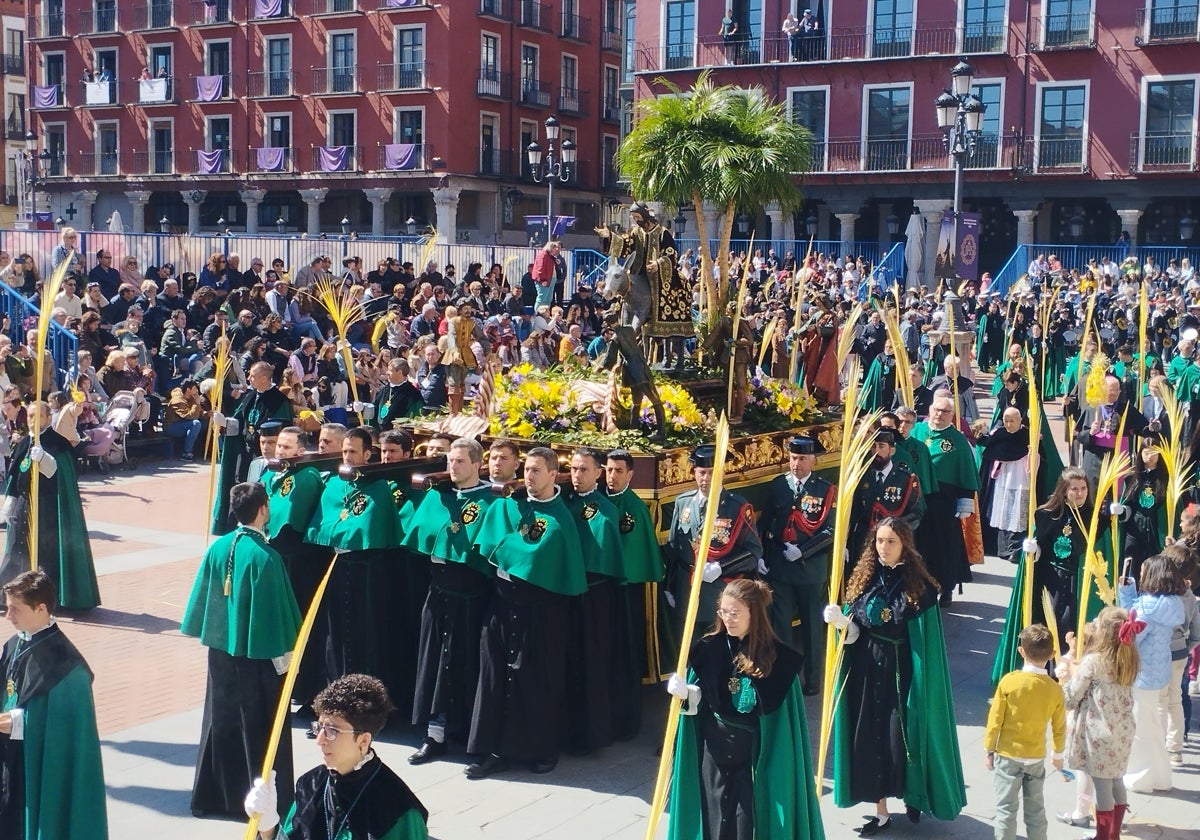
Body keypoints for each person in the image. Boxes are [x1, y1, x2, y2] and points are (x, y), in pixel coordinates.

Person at [825, 518, 965, 834]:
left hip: (903, 674)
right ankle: (881, 811)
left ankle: (913, 794)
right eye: (879, 541)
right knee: (871, 739)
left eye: (891, 542)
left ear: (904, 544)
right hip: (867, 671)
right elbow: (856, 631)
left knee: (901, 739)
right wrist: (842, 626)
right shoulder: (863, 581)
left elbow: (923, 642)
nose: (884, 548)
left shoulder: (921, 588)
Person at [664, 579, 823, 840]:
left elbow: (779, 721)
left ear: (754, 614)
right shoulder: (708, 649)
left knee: (745, 826)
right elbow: (703, 701)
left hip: (752, 759)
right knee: (714, 822)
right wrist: (686, 694)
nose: (728, 619)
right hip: (712, 756)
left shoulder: (778, 660)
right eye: (723, 612)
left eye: (735, 612)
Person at [182, 482, 301, 820]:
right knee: (259, 729)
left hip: (220, 652)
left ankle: (213, 797)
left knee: (219, 723)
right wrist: (288, 665)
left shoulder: (218, 548)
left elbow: (204, 603)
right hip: (256, 658)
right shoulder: (266, 557)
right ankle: (263, 803)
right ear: (263, 509)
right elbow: (276, 620)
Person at [466, 447, 586, 778]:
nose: (530, 477)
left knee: (538, 681)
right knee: (494, 678)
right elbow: (492, 543)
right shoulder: (510, 504)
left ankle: (542, 749)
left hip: (541, 612)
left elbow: (560, 566)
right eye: (527, 470)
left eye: (536, 471)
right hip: (502, 604)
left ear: (552, 474)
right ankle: (492, 750)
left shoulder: (560, 518)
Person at [400, 438, 495, 766]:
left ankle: (471, 735)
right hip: (437, 594)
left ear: (476, 465)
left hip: (470, 598)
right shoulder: (438, 495)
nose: (452, 467)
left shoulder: (488, 501)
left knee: (469, 666)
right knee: (433, 666)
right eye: (450, 461)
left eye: (459, 462)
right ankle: (435, 734)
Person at [244, 674, 429, 840]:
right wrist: (269, 830)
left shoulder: (398, 810)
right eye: (319, 727)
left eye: (333, 731)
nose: (320, 740)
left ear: (363, 740)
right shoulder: (310, 785)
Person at [0, 570, 107, 839]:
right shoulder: (14, 644)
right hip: (9, 758)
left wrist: (17, 722)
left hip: (39, 766)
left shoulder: (68, 666)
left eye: (15, 609)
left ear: (41, 608)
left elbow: (64, 728)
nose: (7, 616)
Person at [0, 400, 100, 610]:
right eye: (30, 416)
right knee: (16, 552)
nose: (32, 420)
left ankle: (47, 599)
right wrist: (9, 503)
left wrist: (44, 458)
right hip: (23, 506)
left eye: (38, 416)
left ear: (47, 418)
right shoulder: (24, 443)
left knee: (47, 555)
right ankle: (8, 596)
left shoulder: (58, 443)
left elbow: (61, 472)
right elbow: (14, 475)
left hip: (48, 509)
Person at [563, 447, 628, 753]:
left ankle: (590, 735)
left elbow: (603, 554)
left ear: (598, 473)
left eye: (584, 470)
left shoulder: (603, 510)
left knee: (591, 662)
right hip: (564, 594)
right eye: (573, 469)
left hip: (593, 596)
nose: (577, 475)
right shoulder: (563, 499)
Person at [759, 436, 835, 695]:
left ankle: (813, 678)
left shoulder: (824, 489)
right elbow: (767, 522)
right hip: (781, 567)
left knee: (812, 625)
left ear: (813, 460)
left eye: (802, 458)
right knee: (780, 626)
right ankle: (785, 677)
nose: (796, 464)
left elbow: (830, 530)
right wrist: (763, 555)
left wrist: (802, 551)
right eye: (793, 458)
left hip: (810, 569)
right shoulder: (779, 485)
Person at [664, 445, 763, 642]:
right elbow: (673, 549)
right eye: (701, 473)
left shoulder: (736, 506)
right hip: (687, 591)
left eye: (711, 473)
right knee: (687, 652)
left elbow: (753, 552)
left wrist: (720, 567)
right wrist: (670, 586)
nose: (705, 479)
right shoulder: (683, 502)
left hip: (718, 594)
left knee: (717, 651)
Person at [985, 624, 1067, 840]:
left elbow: (995, 720)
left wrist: (989, 749)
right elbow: (1059, 727)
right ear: (1052, 655)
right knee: (1036, 812)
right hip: (1035, 757)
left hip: (1008, 755)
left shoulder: (1009, 682)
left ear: (1021, 651)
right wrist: (1058, 755)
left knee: (1005, 810)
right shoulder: (1054, 689)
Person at [1063, 606, 1138, 840]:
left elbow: (1072, 697)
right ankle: (1114, 833)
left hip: (1099, 732)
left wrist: (1065, 678)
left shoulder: (1094, 660)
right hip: (1123, 729)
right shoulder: (1130, 658)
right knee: (1117, 781)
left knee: (1103, 786)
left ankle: (1103, 835)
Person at [1118, 556, 1185, 793]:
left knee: (1139, 731)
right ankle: (1160, 777)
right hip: (1159, 673)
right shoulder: (1172, 603)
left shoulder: (1147, 606)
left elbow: (1132, 634)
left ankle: (1139, 778)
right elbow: (1134, 612)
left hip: (1141, 674)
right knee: (1154, 727)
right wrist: (1128, 590)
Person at [910, 395, 979, 604]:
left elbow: (966, 472)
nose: (940, 414)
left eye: (945, 411)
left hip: (943, 500)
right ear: (930, 409)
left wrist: (965, 500)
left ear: (952, 415)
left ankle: (946, 587)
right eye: (937, 410)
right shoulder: (917, 431)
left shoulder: (957, 440)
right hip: (916, 498)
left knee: (944, 546)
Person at [211, 361, 294, 534]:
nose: (248, 378)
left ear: (264, 378)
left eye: (252, 376)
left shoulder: (279, 401)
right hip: (247, 452)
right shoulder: (250, 396)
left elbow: (281, 429)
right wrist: (225, 421)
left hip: (266, 454)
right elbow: (240, 418)